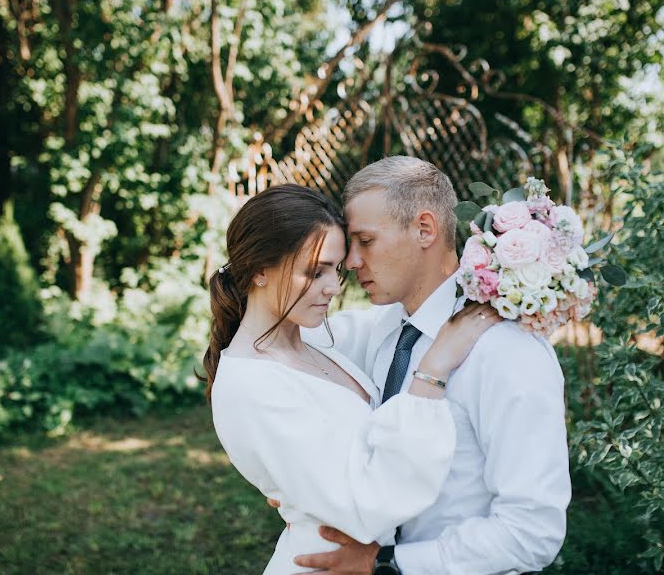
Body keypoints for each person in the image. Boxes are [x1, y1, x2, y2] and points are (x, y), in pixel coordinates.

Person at [292, 156, 572, 574]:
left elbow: (532, 530)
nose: (351, 261)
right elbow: (281, 337)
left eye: (364, 241)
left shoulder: (506, 353)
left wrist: (391, 565)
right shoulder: (388, 328)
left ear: (425, 229)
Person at [203, 183, 501, 575]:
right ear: (260, 269)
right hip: (327, 562)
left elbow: (412, 308)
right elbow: (368, 505)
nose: (334, 287)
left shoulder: (317, 340)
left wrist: (509, 280)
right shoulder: (249, 385)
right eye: (315, 271)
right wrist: (433, 370)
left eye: (336, 269)